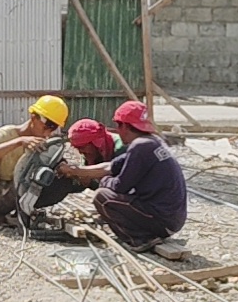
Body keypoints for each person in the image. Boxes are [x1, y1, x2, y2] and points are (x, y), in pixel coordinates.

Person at [57, 100, 187, 249]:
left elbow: (120, 187)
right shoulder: (151, 142)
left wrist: (103, 180)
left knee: (102, 197)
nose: (117, 131)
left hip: (162, 219)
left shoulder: (140, 147)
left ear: (125, 125)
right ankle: (145, 233)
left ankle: (140, 240)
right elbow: (110, 166)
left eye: (119, 126)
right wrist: (75, 170)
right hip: (171, 218)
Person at [0, 95, 68, 227]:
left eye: (54, 127)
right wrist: (19, 142)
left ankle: (17, 213)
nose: (49, 131)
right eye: (48, 125)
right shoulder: (6, 134)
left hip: (10, 195)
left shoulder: (43, 143)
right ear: (34, 117)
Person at [23, 118, 119, 215]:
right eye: (77, 148)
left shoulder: (121, 149)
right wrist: (77, 175)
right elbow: (86, 173)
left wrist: (79, 172)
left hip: (125, 192)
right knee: (64, 181)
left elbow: (120, 182)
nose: (80, 152)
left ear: (96, 143)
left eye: (82, 147)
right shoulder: (93, 152)